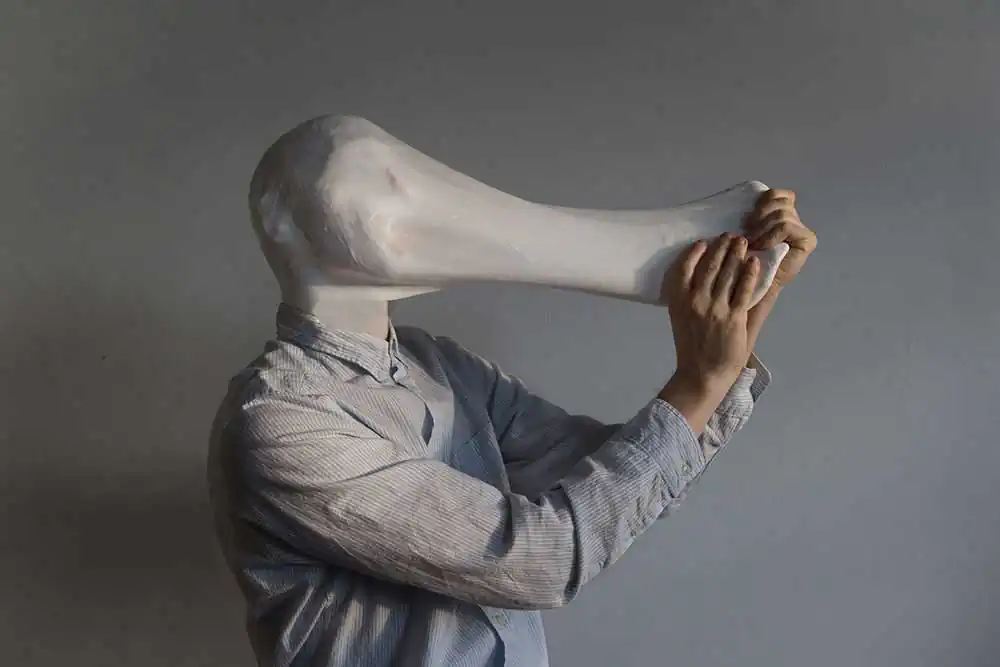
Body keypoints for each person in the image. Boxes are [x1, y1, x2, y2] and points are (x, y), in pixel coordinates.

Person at [208, 188, 817, 667]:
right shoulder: (279, 420)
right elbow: (541, 557)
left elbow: (624, 481)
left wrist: (745, 301)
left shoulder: (436, 363)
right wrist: (700, 381)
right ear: (284, 225)